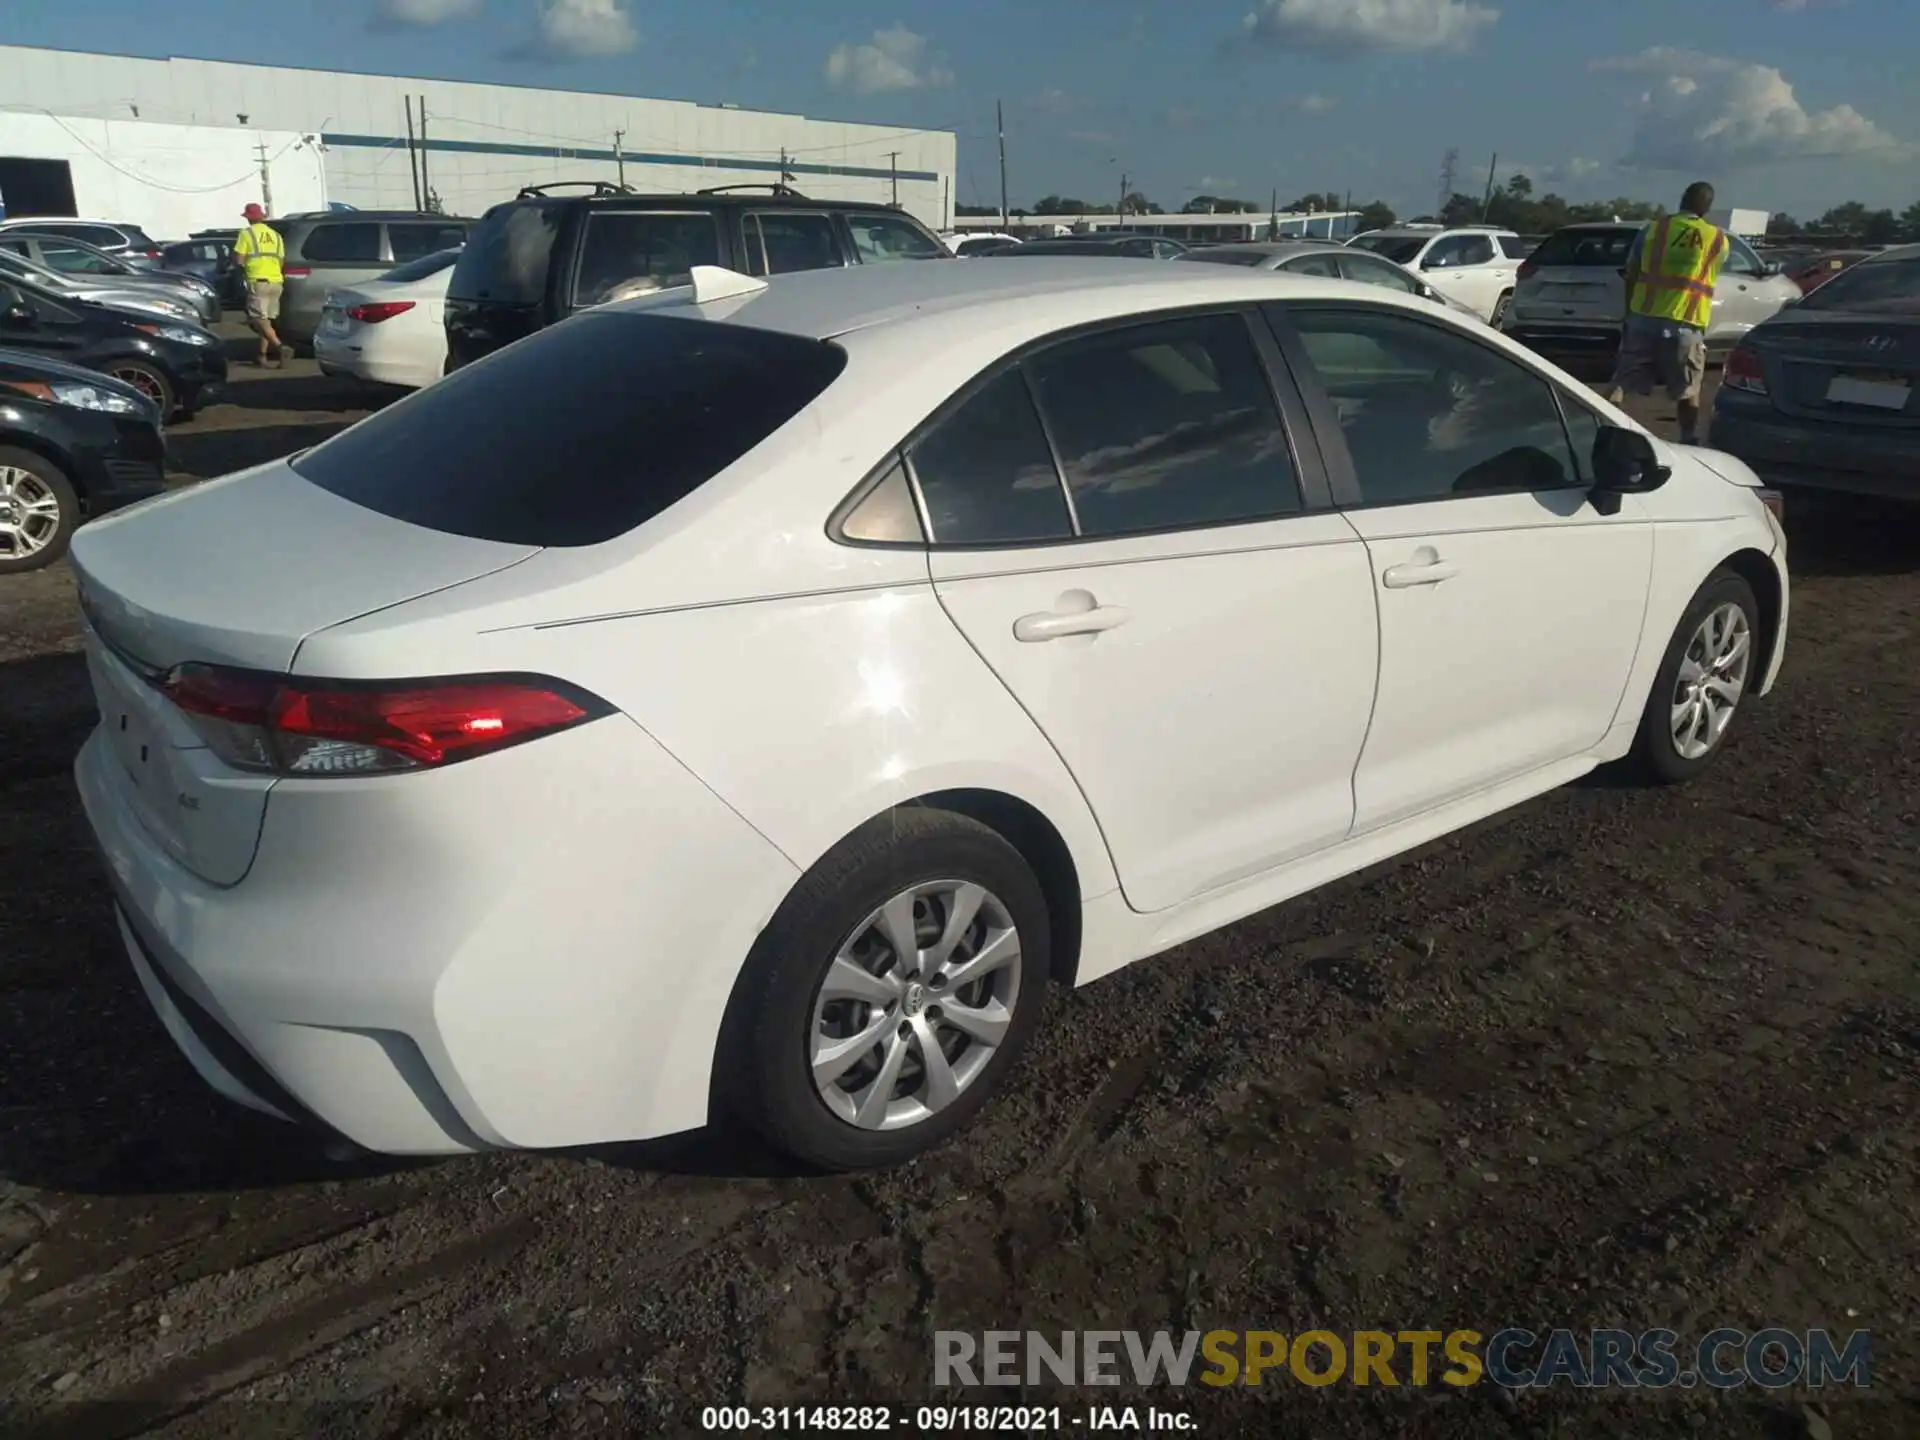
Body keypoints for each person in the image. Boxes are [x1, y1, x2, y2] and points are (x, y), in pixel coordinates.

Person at [1613, 181, 1728, 444]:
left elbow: (1631, 274)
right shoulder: (1718, 239)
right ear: (1707, 208)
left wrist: (1629, 313)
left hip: (1643, 318)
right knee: (1688, 388)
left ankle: (1608, 430)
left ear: (1682, 200)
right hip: (1685, 322)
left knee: (1623, 380)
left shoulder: (1653, 230)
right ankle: (1687, 439)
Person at [232, 202, 290, 367]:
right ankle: (262, 356)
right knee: (266, 321)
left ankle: (280, 347)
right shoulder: (276, 236)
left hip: (258, 280)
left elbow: (239, 259)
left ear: (249, 219)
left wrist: (238, 269)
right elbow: (281, 260)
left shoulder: (246, 234)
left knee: (256, 318)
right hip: (276, 281)